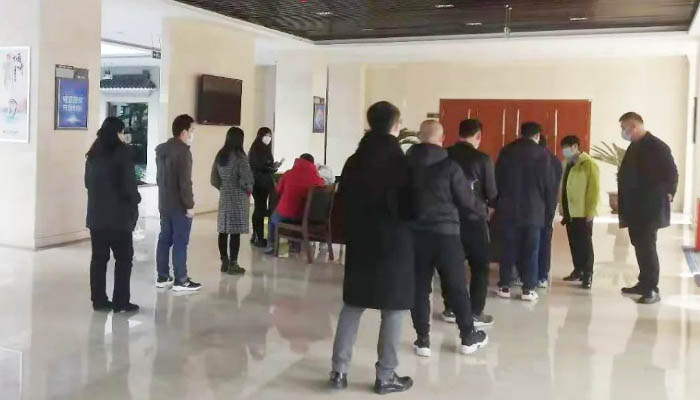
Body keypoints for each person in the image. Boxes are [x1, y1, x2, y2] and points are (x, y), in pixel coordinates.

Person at [329, 101, 415, 395]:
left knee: (353, 306)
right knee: (393, 309)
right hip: (394, 245)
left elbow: (341, 203)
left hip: (360, 242)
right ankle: (386, 376)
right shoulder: (401, 162)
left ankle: (339, 371)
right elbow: (412, 207)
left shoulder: (354, 160)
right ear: (394, 125)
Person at [407, 120, 489, 358]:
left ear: (419, 136)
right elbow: (466, 201)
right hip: (447, 234)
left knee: (419, 289)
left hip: (416, 235)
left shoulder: (405, 165)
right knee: (457, 287)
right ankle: (467, 337)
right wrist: (483, 210)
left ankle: (423, 340)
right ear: (442, 139)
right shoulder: (450, 167)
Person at [618, 112, 678, 304]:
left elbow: (672, 173)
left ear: (634, 126)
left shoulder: (657, 146)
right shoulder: (634, 146)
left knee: (647, 247)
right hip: (635, 207)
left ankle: (652, 289)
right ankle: (644, 283)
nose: (623, 131)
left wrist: (669, 192)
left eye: (624, 128)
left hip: (649, 208)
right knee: (640, 246)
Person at [443, 118, 498, 327]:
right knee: (480, 267)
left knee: (451, 265)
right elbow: (491, 193)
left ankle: (450, 308)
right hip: (474, 219)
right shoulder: (483, 159)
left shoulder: (444, 155)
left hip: (448, 219)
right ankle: (475, 311)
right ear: (478, 136)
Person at [85, 117, 141, 313]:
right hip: (119, 219)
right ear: (118, 133)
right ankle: (121, 301)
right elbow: (129, 186)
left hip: (96, 218)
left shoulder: (93, 153)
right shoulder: (123, 153)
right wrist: (136, 199)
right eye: (122, 132)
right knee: (124, 260)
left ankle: (99, 300)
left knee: (99, 260)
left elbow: (87, 183)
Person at [495, 122, 553, 301]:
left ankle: (504, 286)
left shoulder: (506, 151)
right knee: (531, 250)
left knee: (507, 248)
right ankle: (528, 289)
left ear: (520, 133)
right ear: (537, 136)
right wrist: (549, 212)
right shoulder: (543, 154)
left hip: (508, 209)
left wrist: (495, 205)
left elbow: (497, 180)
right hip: (534, 211)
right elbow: (548, 186)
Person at [155, 114, 201, 292]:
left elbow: (159, 178)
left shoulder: (161, 150)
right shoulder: (183, 152)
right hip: (179, 205)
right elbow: (185, 183)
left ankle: (163, 276)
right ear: (184, 132)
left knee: (164, 239)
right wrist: (189, 205)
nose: (192, 134)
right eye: (192, 130)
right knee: (180, 241)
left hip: (164, 203)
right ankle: (181, 279)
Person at [211, 127, 254, 275]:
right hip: (238, 199)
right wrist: (249, 189)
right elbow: (246, 180)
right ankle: (233, 264)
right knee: (235, 232)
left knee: (223, 230)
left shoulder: (220, 155)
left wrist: (224, 188)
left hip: (224, 197)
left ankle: (224, 262)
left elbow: (214, 179)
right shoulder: (241, 157)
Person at [559, 135, 600, 289]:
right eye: (563, 148)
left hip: (583, 211)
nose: (564, 151)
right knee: (574, 242)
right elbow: (564, 186)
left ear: (576, 147)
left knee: (585, 244)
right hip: (570, 210)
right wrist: (562, 205)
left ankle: (588, 274)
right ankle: (578, 270)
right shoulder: (567, 164)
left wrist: (591, 210)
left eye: (567, 148)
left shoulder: (588, 164)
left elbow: (594, 189)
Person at [264, 153, 325, 254]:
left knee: (273, 220)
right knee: (295, 219)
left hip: (286, 213)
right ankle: (294, 245)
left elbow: (277, 191)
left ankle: (271, 246)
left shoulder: (288, 174)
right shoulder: (317, 179)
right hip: (305, 216)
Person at [536, 134, 563, 288]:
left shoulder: (535, 159)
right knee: (545, 239)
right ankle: (542, 275)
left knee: (530, 239)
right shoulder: (555, 161)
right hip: (549, 205)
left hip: (533, 206)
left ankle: (527, 274)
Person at [249, 127, 283, 248]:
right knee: (260, 209)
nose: (268, 138)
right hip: (258, 183)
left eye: (269, 135)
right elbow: (259, 166)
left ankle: (263, 235)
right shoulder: (255, 149)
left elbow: (267, 166)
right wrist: (272, 168)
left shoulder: (267, 150)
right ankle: (259, 236)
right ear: (260, 136)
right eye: (265, 135)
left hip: (266, 183)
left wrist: (274, 166)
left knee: (264, 210)